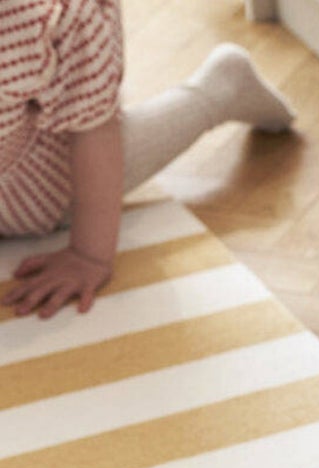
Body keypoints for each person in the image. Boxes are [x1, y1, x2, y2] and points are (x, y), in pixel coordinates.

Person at [1, 0, 294, 319]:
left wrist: (89, 255)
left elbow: (96, 131)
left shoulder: (44, 24)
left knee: (88, 178)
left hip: (48, 167)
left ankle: (221, 88)